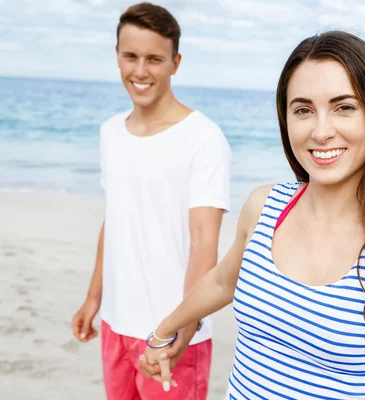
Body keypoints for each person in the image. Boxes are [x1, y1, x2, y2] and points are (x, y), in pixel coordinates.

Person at [139, 30, 365, 399]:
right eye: (303, 110)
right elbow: (223, 282)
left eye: (344, 107)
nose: (321, 132)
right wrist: (163, 333)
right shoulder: (265, 206)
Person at [71, 2, 232, 399]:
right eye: (131, 56)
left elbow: (203, 245)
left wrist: (182, 330)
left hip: (172, 335)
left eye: (154, 59)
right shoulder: (111, 132)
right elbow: (116, 220)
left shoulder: (204, 139)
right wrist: (94, 299)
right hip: (115, 325)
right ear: (117, 56)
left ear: (175, 63)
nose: (140, 71)